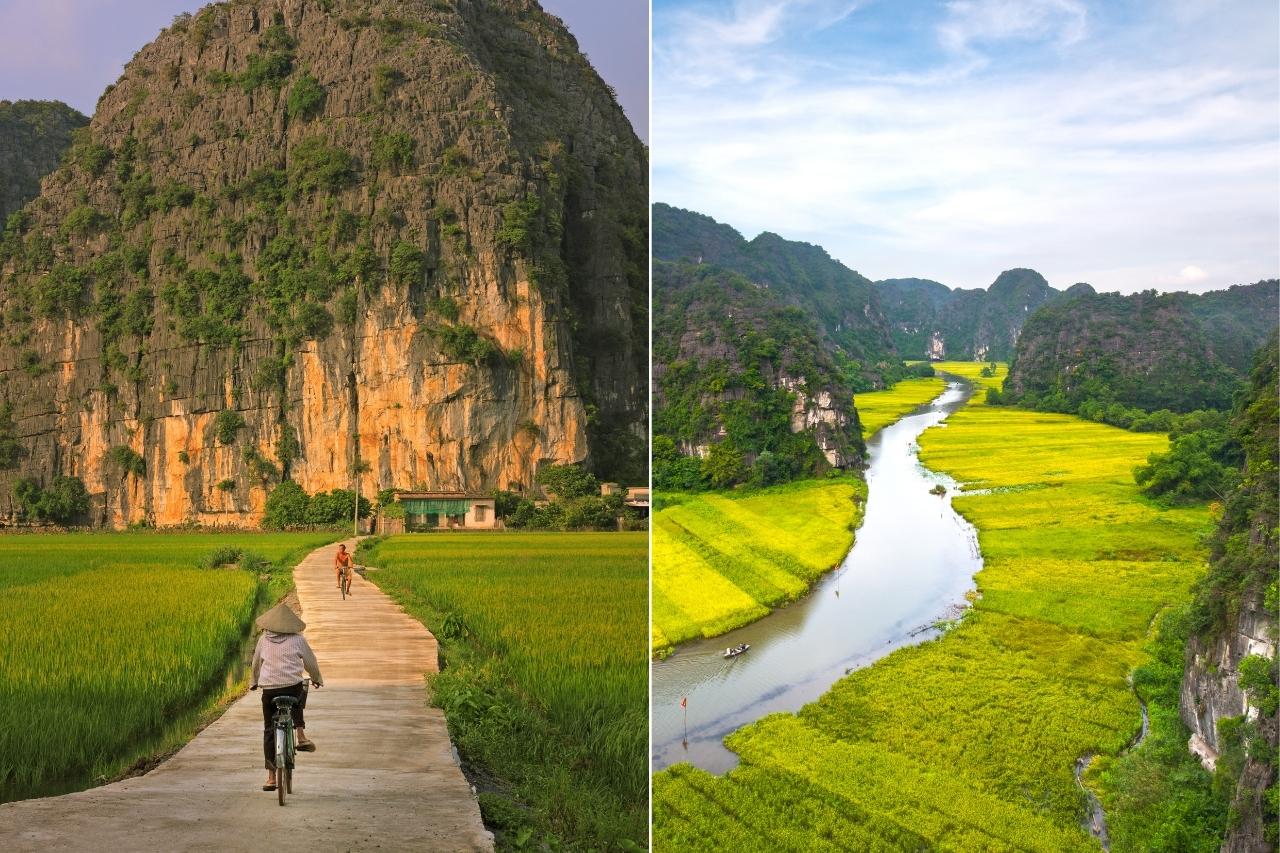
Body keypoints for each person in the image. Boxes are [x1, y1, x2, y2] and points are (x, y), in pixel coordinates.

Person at [250, 602, 323, 792]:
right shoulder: (298, 639)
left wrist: (253, 682)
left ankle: (271, 777)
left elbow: (256, 664)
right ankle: (300, 734)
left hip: (270, 690)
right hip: (292, 687)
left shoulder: (263, 640)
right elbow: (310, 662)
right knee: (300, 691)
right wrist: (316, 678)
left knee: (268, 729)